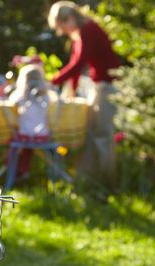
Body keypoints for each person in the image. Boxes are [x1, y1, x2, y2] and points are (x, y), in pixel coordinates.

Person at [48, 1, 120, 188]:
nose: (62, 31)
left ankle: (108, 182)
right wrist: (70, 90)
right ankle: (87, 178)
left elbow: (79, 63)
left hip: (108, 86)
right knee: (88, 131)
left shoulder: (88, 29)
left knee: (103, 134)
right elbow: (77, 66)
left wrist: (52, 81)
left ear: (70, 18)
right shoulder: (79, 34)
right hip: (97, 86)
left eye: (62, 26)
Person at [8, 64, 52, 179]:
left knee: (13, 141)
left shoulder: (19, 96)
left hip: (25, 136)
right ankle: (25, 170)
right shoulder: (47, 96)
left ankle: (15, 169)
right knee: (28, 147)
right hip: (42, 136)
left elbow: (9, 104)